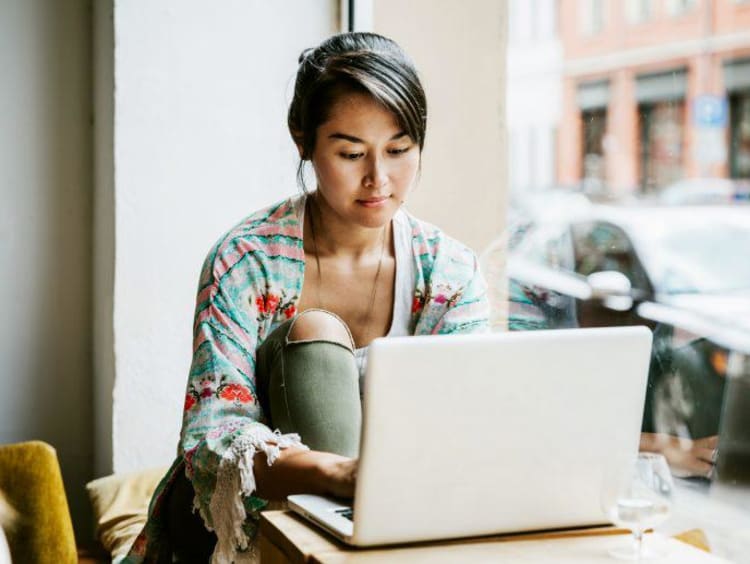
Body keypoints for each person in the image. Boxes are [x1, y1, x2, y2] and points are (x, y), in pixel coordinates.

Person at [124, 32, 489, 563]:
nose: (378, 179)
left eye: (399, 150)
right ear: (303, 140)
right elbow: (210, 441)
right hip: (232, 525)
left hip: (391, 524)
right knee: (316, 336)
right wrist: (338, 473)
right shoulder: (246, 259)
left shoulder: (449, 271)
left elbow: (467, 418)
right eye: (350, 153)